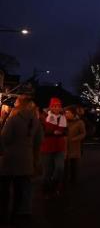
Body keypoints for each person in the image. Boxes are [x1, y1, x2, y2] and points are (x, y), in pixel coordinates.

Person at [0, 95, 42, 224]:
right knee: (20, 190)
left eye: (16, 102)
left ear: (20, 105)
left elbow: (4, 139)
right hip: (26, 161)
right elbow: (39, 141)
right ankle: (15, 214)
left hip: (9, 159)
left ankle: (2, 215)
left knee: (4, 189)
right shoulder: (35, 121)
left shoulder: (13, 119)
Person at [40, 97, 68, 197]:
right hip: (47, 146)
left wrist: (63, 132)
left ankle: (54, 185)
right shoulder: (44, 116)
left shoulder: (63, 117)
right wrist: (52, 132)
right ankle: (46, 188)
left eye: (58, 106)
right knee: (47, 171)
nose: (56, 108)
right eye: (54, 106)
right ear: (51, 107)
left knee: (60, 168)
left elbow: (66, 130)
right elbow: (41, 131)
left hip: (59, 146)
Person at [64, 106, 86, 184]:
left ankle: (73, 180)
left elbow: (83, 133)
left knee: (73, 165)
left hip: (74, 146)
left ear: (73, 114)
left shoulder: (79, 122)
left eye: (68, 113)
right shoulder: (63, 121)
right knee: (64, 165)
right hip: (64, 146)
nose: (66, 114)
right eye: (66, 113)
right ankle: (64, 180)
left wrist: (75, 139)